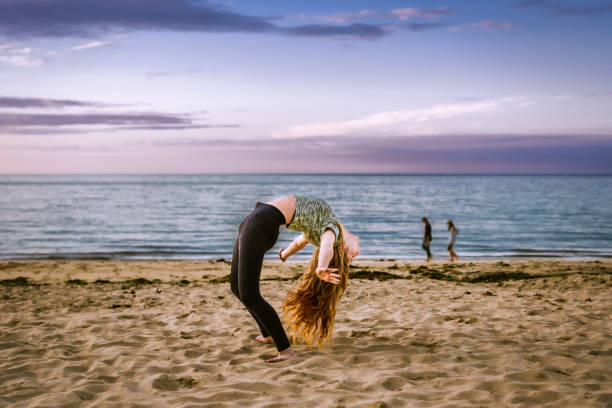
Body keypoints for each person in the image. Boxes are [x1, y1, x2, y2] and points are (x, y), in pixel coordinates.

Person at [230, 195, 360, 363]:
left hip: (260, 223)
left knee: (250, 294)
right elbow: (299, 242)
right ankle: (269, 335)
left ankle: (285, 350)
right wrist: (284, 254)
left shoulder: (331, 230)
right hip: (256, 221)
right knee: (237, 287)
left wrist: (321, 266)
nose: (350, 252)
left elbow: (327, 246)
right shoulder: (321, 226)